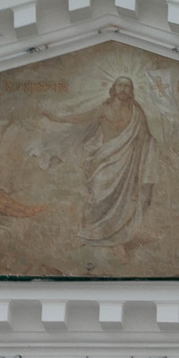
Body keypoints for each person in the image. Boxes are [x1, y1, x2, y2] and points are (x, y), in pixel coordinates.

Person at [43, 76, 156, 247]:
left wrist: (161, 149)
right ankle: (86, 233)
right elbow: (81, 118)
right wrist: (57, 118)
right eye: (120, 85)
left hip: (127, 164)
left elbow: (147, 137)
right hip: (104, 159)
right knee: (97, 197)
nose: (123, 89)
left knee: (123, 200)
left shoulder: (136, 111)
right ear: (114, 88)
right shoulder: (105, 108)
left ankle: (114, 238)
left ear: (131, 90)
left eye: (127, 86)